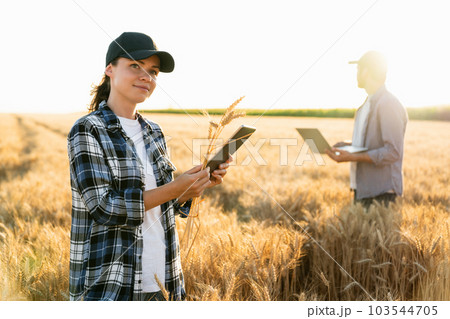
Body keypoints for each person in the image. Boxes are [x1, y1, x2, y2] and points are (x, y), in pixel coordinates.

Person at [67, 32, 231, 301]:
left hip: (163, 279)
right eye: (135, 66)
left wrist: (189, 189)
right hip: (111, 284)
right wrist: (175, 187)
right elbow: (104, 208)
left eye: (153, 71)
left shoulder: (154, 132)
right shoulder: (88, 129)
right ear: (110, 69)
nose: (147, 77)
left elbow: (163, 206)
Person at [326, 51, 408, 208]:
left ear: (366, 71)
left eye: (358, 69)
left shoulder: (388, 104)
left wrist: (353, 157)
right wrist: (346, 145)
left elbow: (393, 151)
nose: (356, 74)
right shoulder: (364, 106)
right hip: (363, 190)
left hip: (382, 194)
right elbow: (371, 143)